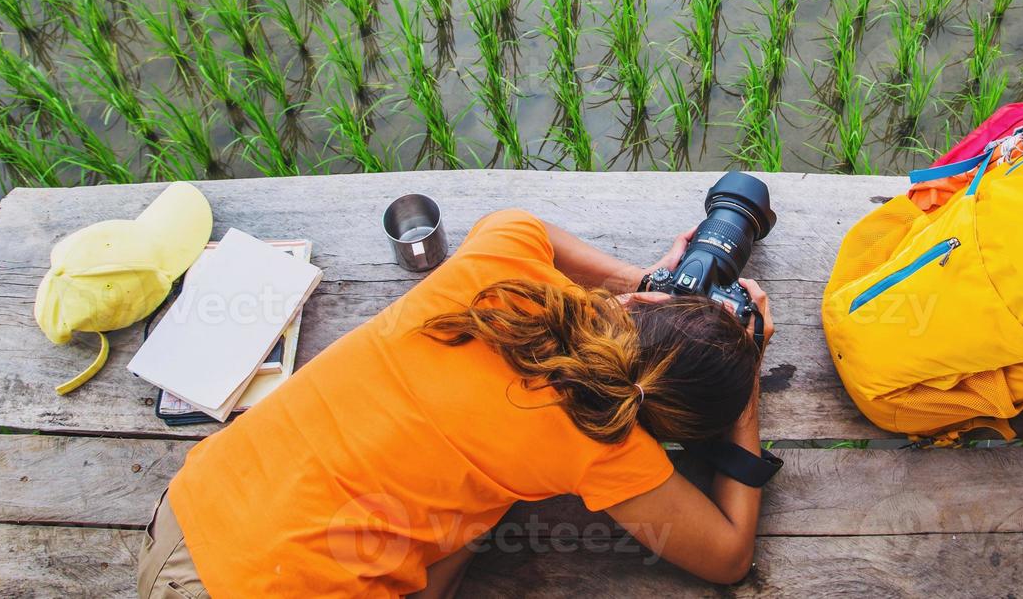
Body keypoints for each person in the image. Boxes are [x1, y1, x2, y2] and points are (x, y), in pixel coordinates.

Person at [136, 209, 774, 598]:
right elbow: (728, 558)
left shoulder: (501, 265)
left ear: (641, 310)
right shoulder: (605, 444)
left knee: (476, 513)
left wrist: (641, 281)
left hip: (183, 525)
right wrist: (745, 391)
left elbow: (531, 228)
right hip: (269, 586)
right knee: (480, 517)